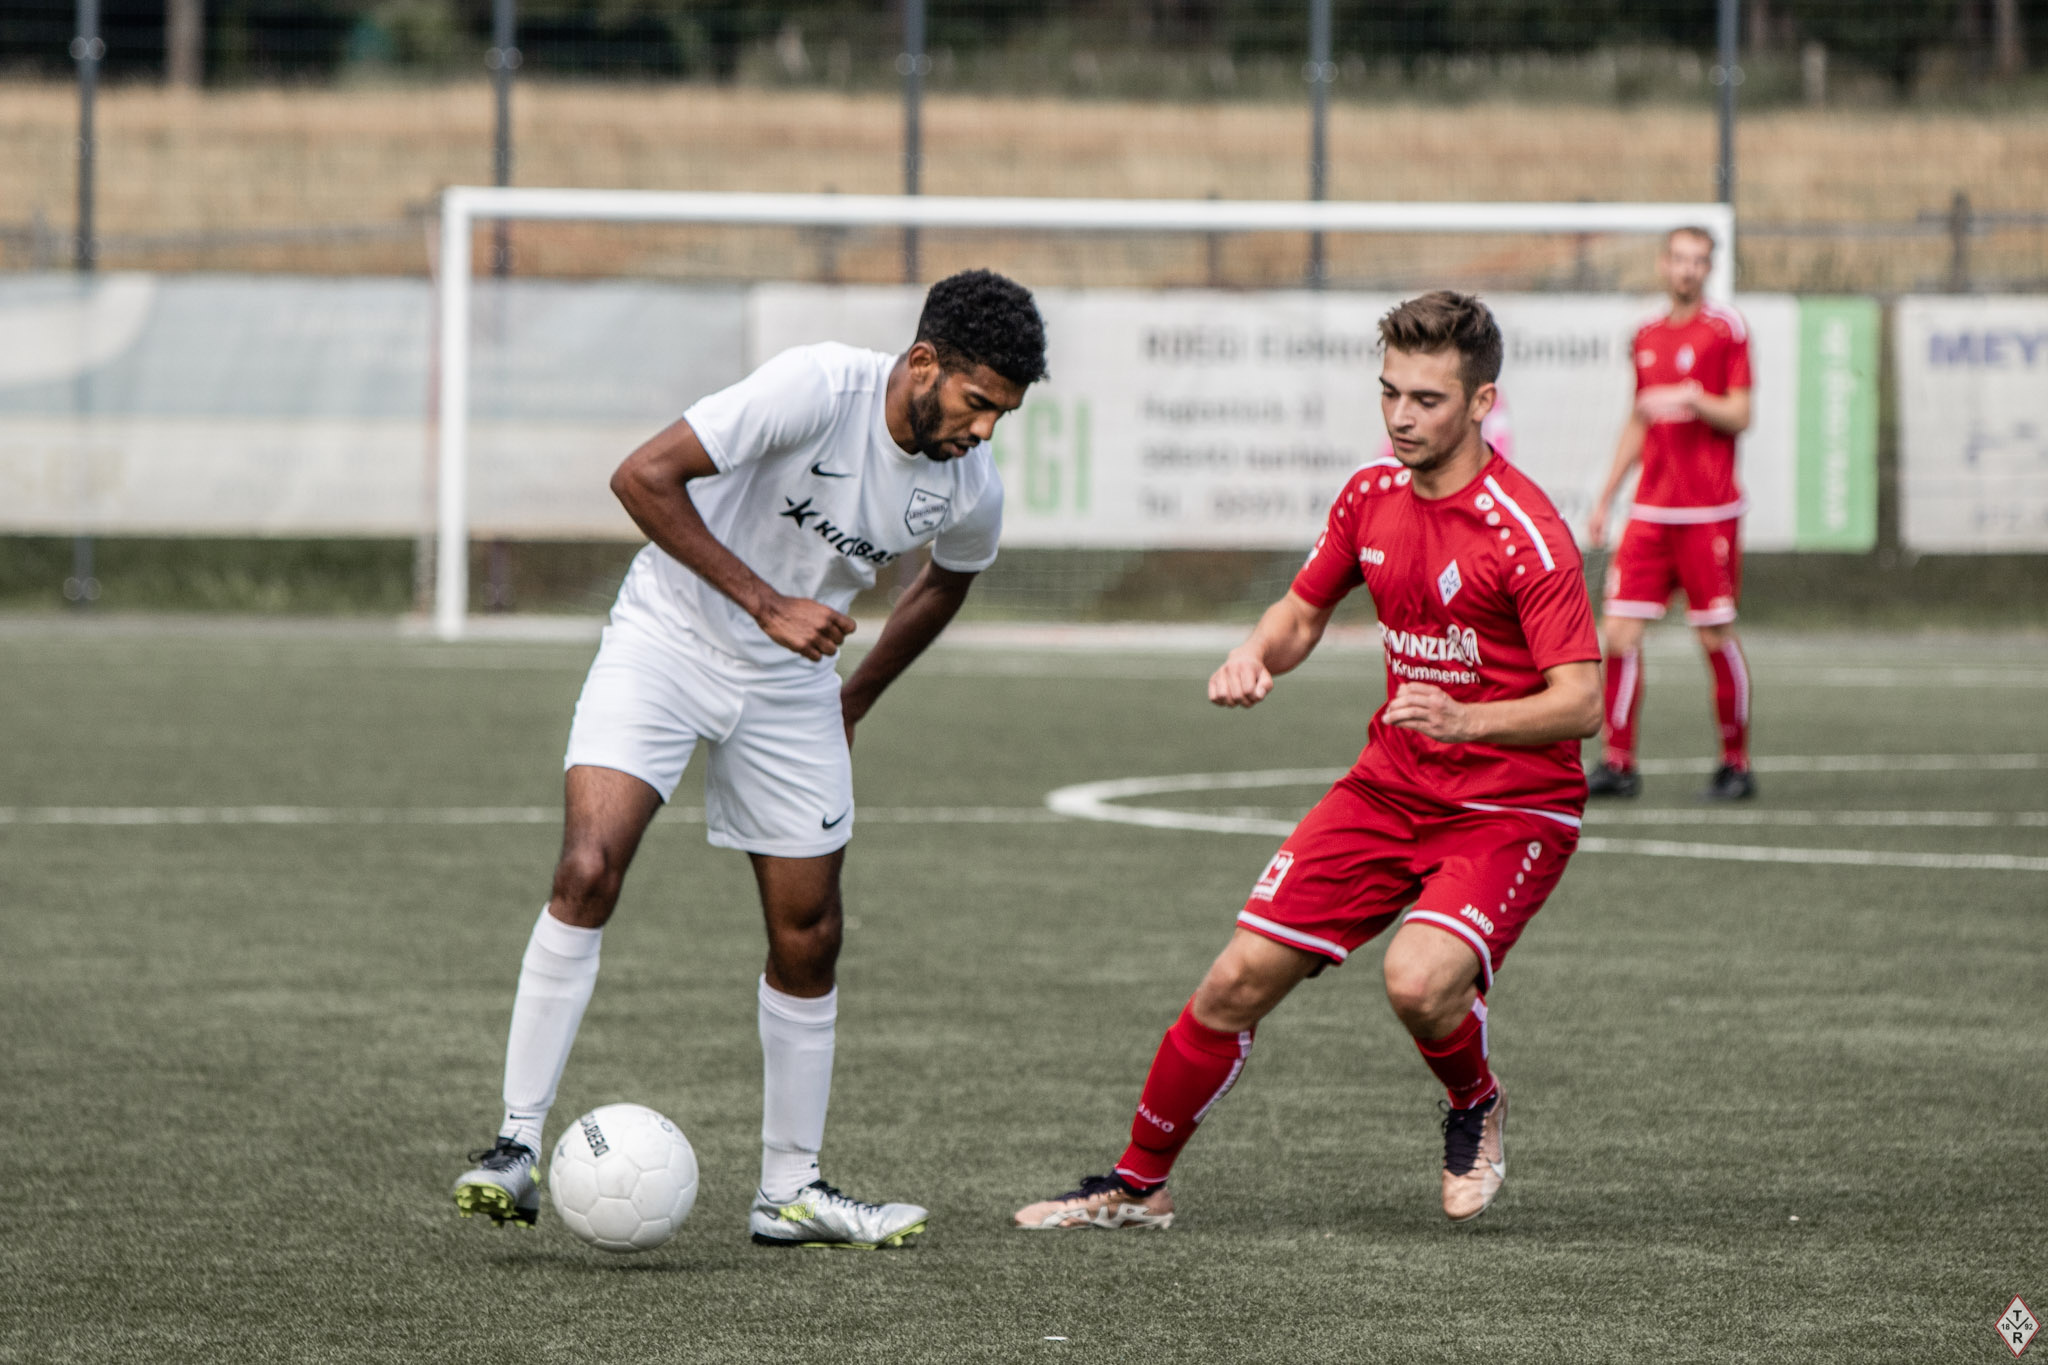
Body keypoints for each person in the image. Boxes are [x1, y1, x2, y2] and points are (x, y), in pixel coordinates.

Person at [453, 269, 1047, 1249]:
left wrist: (853, 698)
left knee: (809, 934)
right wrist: (766, 603)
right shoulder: (816, 387)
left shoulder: (968, 487)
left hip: (792, 687)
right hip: (665, 639)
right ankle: (514, 1146)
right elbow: (641, 477)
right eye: (976, 402)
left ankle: (788, 1191)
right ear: (923, 363)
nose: (983, 430)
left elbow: (949, 582)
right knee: (587, 868)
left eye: (1003, 415)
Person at [1013, 291, 1601, 1231]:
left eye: (1427, 400)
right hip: (1390, 785)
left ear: (1482, 403)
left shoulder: (1523, 532)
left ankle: (1476, 1101)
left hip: (1510, 807)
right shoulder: (1370, 497)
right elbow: (1300, 610)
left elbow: (1582, 702)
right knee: (1234, 981)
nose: (1402, 416)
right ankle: (1137, 1185)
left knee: (1418, 980)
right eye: (1390, 393)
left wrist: (1466, 720)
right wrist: (1256, 653)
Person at [1584, 227, 1756, 801]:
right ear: (1664, 264)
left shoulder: (1725, 330)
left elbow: (1741, 414)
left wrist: (1691, 397)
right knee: (1618, 632)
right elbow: (1639, 419)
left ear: (1708, 269)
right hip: (1651, 510)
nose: (1687, 269)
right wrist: (1607, 496)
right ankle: (1618, 763)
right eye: (1679, 259)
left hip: (1709, 512)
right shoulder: (1646, 335)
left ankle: (1736, 764)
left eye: (1698, 261)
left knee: (1713, 635)